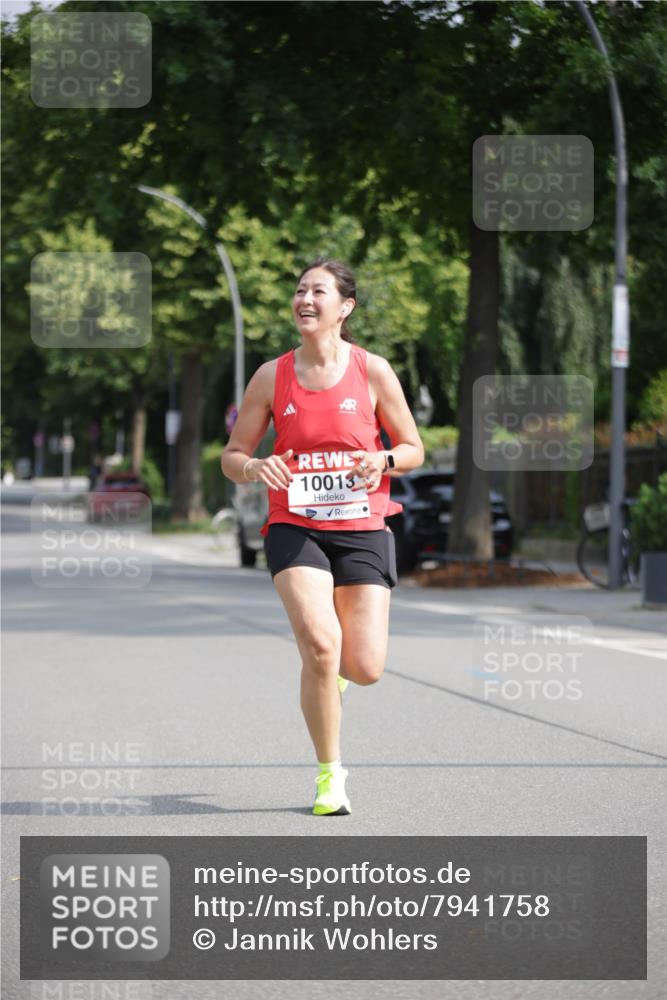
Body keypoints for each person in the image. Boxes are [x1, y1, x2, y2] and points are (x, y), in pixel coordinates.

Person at [221, 258, 424, 815]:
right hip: (295, 525)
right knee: (319, 645)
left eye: (318, 291)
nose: (305, 300)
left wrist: (380, 458)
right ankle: (329, 777)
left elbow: (412, 448)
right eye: (299, 290)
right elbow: (232, 455)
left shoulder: (373, 371)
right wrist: (255, 468)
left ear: (345, 307)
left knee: (363, 667)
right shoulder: (271, 375)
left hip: (361, 525)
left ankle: (333, 677)